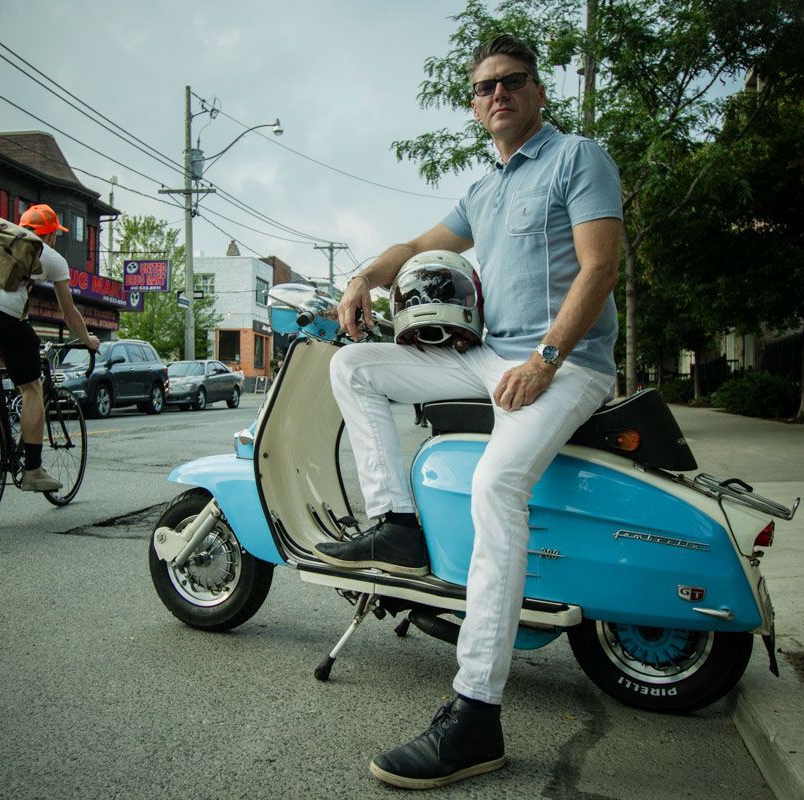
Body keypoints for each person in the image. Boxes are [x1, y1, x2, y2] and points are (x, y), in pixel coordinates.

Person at [313, 34, 623, 789]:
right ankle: (399, 525)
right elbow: (418, 244)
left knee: (495, 486)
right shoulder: (484, 189)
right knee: (354, 364)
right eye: (485, 87)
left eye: (512, 82)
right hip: (487, 354)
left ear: (537, 92)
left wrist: (548, 358)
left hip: (565, 363)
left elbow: (601, 265)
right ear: (475, 105)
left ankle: (476, 714)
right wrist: (359, 279)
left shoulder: (578, 157)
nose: (498, 95)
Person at [0, 204, 100, 492]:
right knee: (31, 387)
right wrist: (87, 340)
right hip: (1, 313)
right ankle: (33, 469)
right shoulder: (50, 256)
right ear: (51, 234)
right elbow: (69, 313)